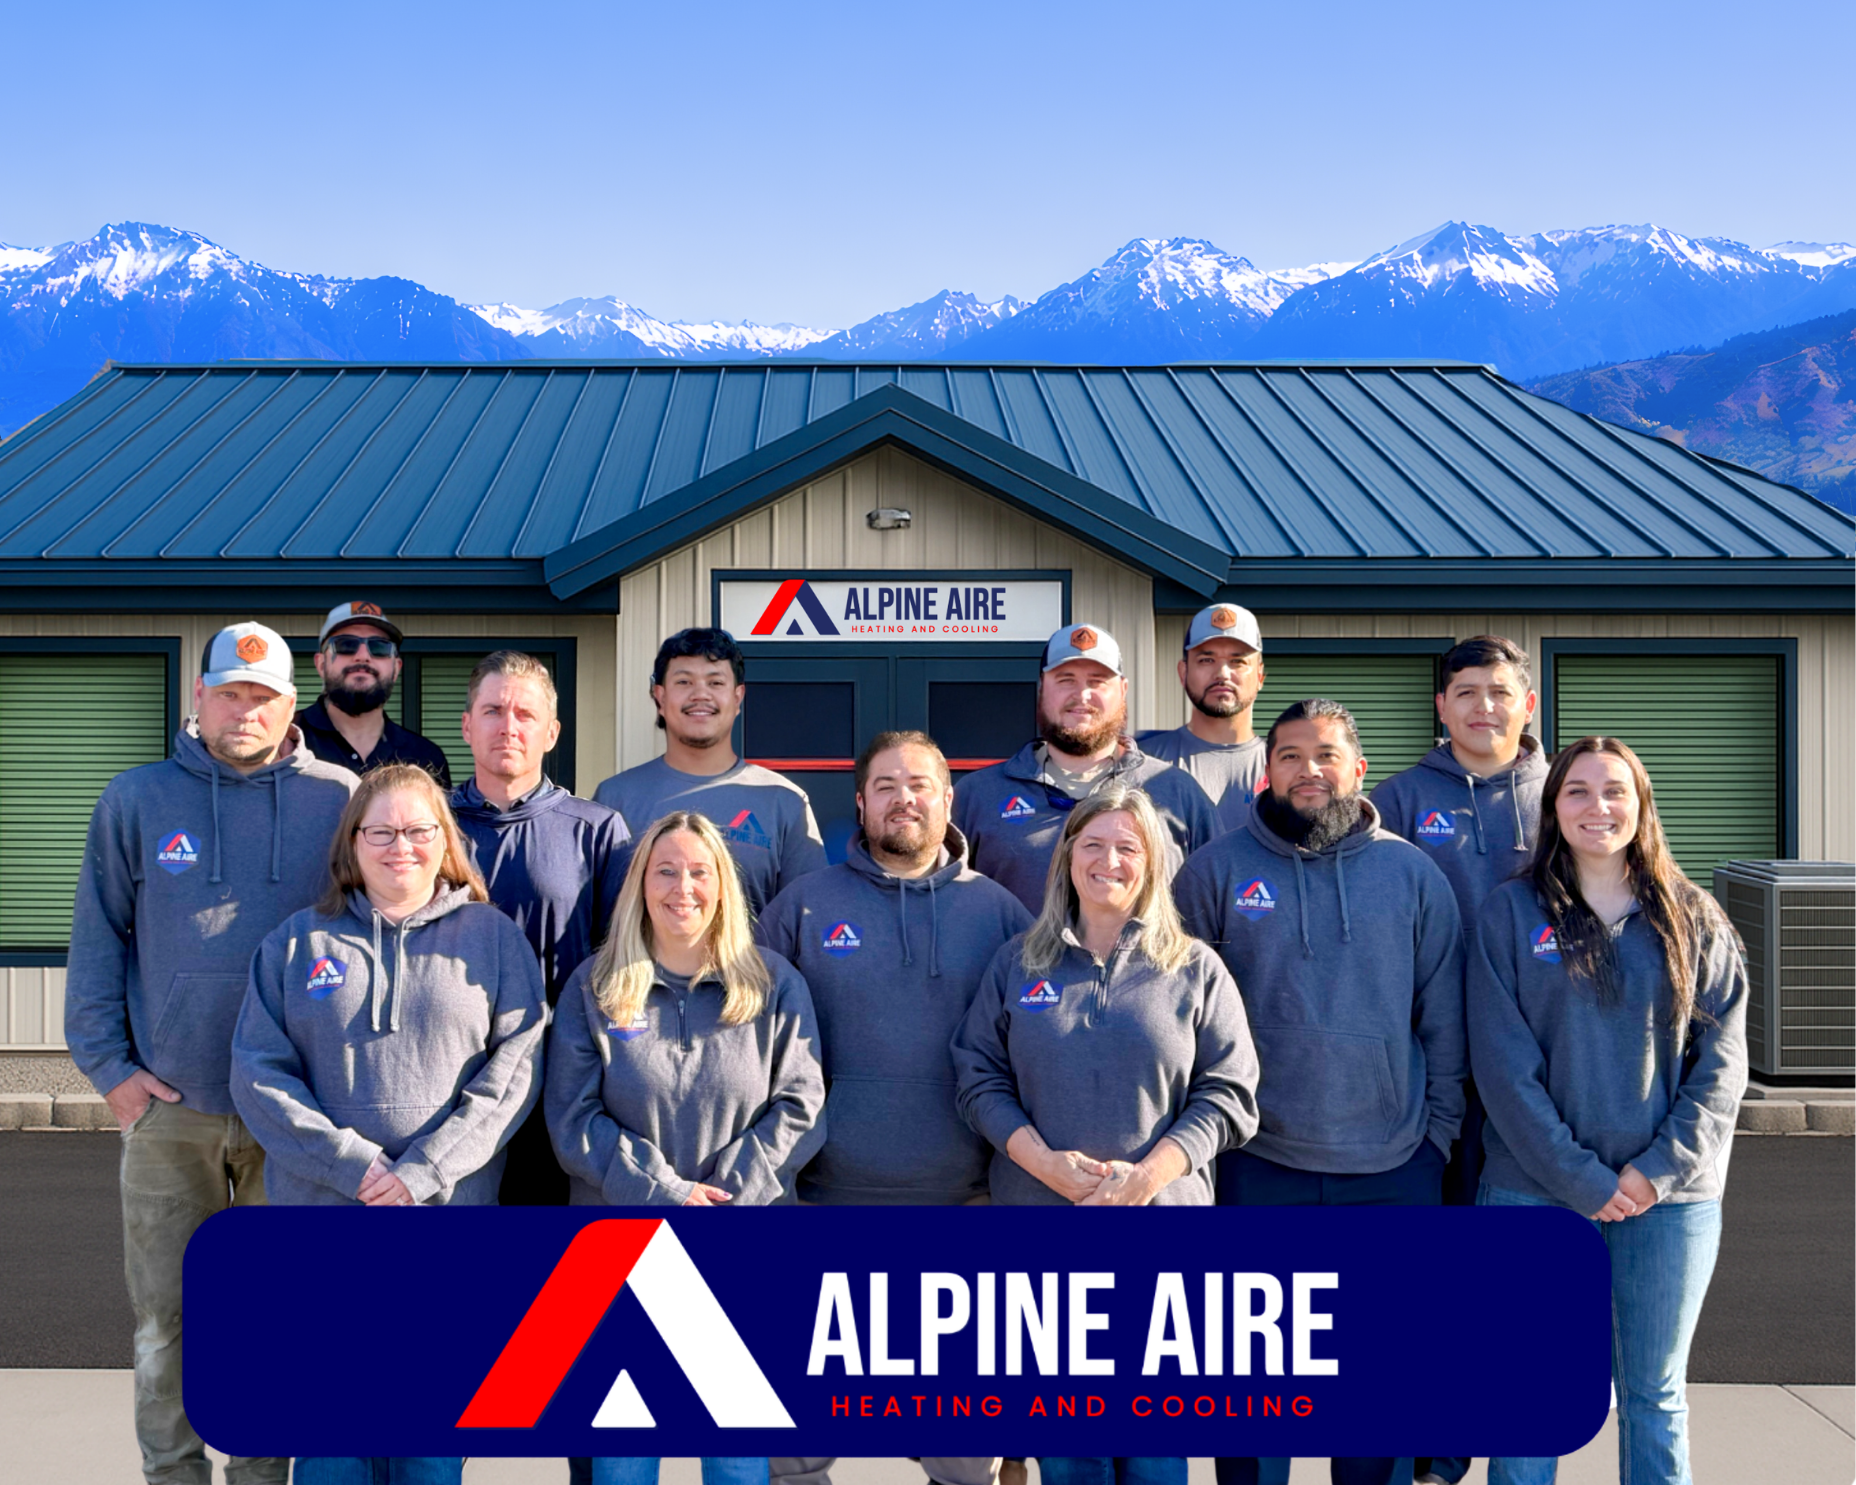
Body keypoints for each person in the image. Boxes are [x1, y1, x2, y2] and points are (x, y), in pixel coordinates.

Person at [62, 621, 358, 1485]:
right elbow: (97, 942)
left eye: (262, 696)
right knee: (167, 1322)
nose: (244, 710)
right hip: (171, 1109)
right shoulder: (136, 799)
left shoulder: (339, 798)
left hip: (291, 1116)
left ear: (291, 705)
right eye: (230, 692)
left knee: (271, 1323)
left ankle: (259, 1477)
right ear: (199, 696)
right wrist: (114, 1075)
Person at [1172, 699, 1465, 1485]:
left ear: (1358, 768)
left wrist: (1434, 1138)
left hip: (1391, 1167)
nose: (1310, 770)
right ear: (1266, 769)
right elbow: (1180, 1017)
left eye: (1327, 754)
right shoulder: (1213, 872)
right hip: (1257, 1164)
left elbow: (1443, 1020)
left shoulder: (1414, 874)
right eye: (1291, 755)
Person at [232, 764, 546, 1485]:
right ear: (353, 842)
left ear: (445, 840)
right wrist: (353, 1165)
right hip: (324, 1231)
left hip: (446, 1230)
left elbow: (515, 1072)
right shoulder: (296, 943)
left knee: (428, 1445)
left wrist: (421, 1172)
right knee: (331, 1445)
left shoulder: (494, 939)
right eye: (381, 831)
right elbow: (258, 1072)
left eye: (418, 830)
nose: (400, 845)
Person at [952, 783, 1258, 1485]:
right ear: (1067, 857)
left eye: (1128, 846)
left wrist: (1146, 1178)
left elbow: (1231, 1091)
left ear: (1152, 862)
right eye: (1092, 844)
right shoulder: (1018, 963)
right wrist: (1044, 1164)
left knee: (1155, 1457)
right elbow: (977, 1077)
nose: (1108, 860)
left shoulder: (1194, 967)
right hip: (1044, 1246)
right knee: (1070, 1458)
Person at [1471, 737, 1748, 1485]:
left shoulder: (1694, 917)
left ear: (1641, 805)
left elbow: (1722, 1069)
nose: (1598, 806)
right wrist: (1584, 1179)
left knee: (1655, 1398)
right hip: (1532, 1193)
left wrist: (1655, 1172)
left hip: (1670, 1202)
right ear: (1554, 808)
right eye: (1579, 791)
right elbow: (1502, 1067)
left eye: (1615, 790)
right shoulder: (1509, 913)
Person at [760, 730, 1027, 1485]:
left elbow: (1030, 1055)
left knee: (962, 1455)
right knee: (797, 1447)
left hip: (962, 1207)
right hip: (823, 1203)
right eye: (885, 785)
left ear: (948, 799)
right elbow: (748, 1041)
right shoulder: (803, 905)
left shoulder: (1001, 913)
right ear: (859, 803)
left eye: (919, 785)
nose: (903, 799)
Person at [546, 810, 824, 1485]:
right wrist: (668, 1194)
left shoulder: (773, 984)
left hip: (740, 1253)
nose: (683, 888)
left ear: (723, 884)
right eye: (665, 871)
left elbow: (802, 1105)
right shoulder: (594, 986)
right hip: (619, 1258)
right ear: (640, 884)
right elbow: (573, 1119)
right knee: (622, 1467)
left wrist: (722, 1199)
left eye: (700, 871)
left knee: (735, 1464)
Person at [1370, 636, 1545, 1485]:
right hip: (1432, 1078)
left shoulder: (1563, 796)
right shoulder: (1399, 800)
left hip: (1537, 1085)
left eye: (1499, 691)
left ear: (1527, 704)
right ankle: (1431, 1454)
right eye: (1466, 691)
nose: (1483, 706)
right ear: (1441, 705)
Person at [449, 650, 632, 1207]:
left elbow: (622, 963)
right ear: (467, 725)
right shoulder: (428, 827)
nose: (509, 726)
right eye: (493, 711)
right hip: (449, 1080)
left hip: (558, 1080)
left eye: (525, 714)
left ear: (551, 733)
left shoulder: (596, 830)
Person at [952, 623, 1217, 915]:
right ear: (1042, 688)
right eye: (1066, 680)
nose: (1082, 695)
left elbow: (1217, 904)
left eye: (1097, 681)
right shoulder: (978, 795)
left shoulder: (1177, 792)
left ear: (1123, 690)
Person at [593, 627, 826, 914]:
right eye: (684, 682)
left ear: (738, 697)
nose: (700, 694)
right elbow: (599, 917)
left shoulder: (785, 802)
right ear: (660, 697)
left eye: (715, 683)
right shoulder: (616, 798)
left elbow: (810, 918)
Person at [1138, 602, 1268, 834]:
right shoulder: (1141, 761)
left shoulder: (1285, 766)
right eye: (1207, 660)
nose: (1222, 674)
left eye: (1237, 661)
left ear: (1259, 676)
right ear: (1183, 673)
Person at [294, 601, 452, 786]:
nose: (363, 656)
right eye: (346, 644)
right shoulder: (286, 741)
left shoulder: (425, 758)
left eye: (379, 647)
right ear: (321, 664)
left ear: (396, 668)